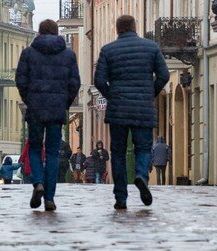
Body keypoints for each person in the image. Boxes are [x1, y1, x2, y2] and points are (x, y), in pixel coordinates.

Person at [94, 14, 169, 210]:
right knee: (143, 148)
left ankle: (120, 198)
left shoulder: (108, 50)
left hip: (118, 109)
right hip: (143, 108)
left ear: (117, 30)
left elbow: (99, 81)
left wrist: (112, 95)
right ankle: (141, 176)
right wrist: (149, 93)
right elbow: (164, 75)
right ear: (135, 27)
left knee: (117, 153)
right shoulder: (151, 48)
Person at [15, 18, 81, 211]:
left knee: (35, 149)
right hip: (57, 110)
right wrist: (64, 103)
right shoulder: (68, 55)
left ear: (39, 32)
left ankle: (37, 182)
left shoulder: (28, 53)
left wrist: (29, 100)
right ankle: (49, 198)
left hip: (35, 109)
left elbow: (20, 80)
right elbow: (74, 83)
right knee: (52, 153)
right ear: (56, 32)